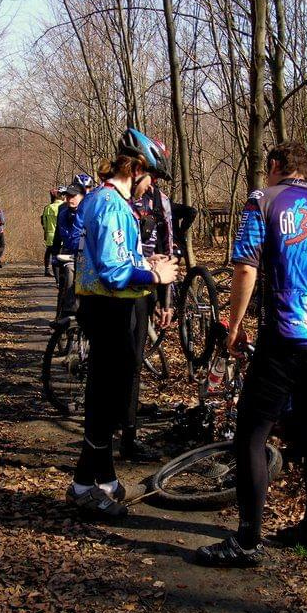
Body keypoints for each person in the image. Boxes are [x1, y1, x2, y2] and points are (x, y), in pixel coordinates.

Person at [196, 140, 307, 567]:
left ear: (278, 166)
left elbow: (246, 265)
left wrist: (234, 324)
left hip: (283, 334)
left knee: (251, 431)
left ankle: (247, 541)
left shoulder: (263, 201)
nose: (264, 174)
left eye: (267, 167)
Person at [65, 129, 178, 518]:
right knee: (105, 398)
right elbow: (114, 271)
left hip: (113, 307)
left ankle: (105, 478)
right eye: (152, 178)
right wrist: (154, 276)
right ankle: (83, 486)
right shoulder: (111, 204)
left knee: (109, 394)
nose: (152, 188)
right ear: (137, 169)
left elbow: (117, 258)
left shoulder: (110, 201)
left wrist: (147, 265)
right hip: (110, 307)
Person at [120, 135, 174, 461]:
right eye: (150, 175)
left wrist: (167, 300)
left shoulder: (160, 200)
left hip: (145, 288)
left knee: (133, 364)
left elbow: (169, 249)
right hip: (114, 291)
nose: (152, 183)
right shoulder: (115, 198)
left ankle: (127, 435)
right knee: (114, 366)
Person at [49, 184, 83, 320]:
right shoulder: (62, 213)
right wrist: (54, 255)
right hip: (67, 252)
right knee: (67, 277)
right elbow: (57, 237)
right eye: (68, 196)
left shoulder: (88, 213)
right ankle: (62, 315)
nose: (70, 199)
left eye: (73, 196)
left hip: (86, 253)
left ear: (82, 197)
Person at [41, 189, 64, 277]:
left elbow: (44, 223)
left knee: (49, 252)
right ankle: (61, 272)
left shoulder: (48, 208)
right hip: (62, 234)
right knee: (62, 253)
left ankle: (47, 269)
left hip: (50, 233)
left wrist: (46, 233)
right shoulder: (64, 206)